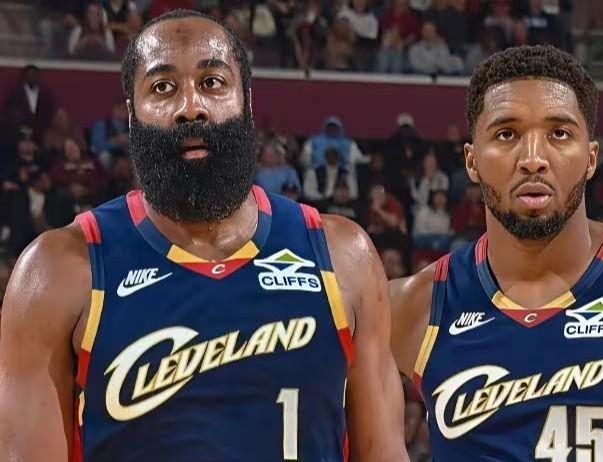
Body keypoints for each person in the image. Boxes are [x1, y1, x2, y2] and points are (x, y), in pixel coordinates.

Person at [0, 9, 408, 462]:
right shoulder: (57, 271)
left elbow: (384, 452)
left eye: (212, 82)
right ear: (132, 115)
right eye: (162, 87)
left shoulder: (341, 256)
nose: (190, 106)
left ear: (246, 102)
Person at [390, 45, 603, 461]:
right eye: (506, 134)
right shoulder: (413, 308)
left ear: (591, 158)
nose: (533, 159)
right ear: (471, 161)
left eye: (559, 134)